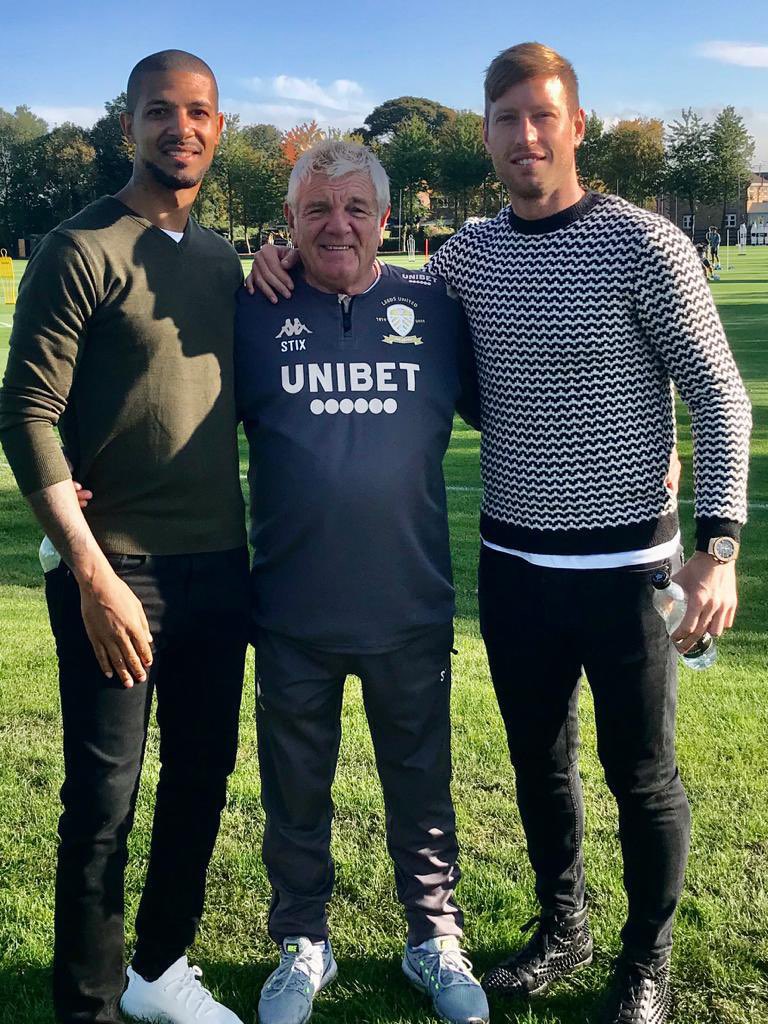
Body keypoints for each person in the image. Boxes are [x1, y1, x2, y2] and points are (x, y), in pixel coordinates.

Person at [247, 43, 751, 1024]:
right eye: (506, 120)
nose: (525, 136)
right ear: (486, 136)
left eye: (542, 116)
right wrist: (279, 258)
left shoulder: (647, 243)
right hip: (514, 563)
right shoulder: (464, 259)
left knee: (641, 774)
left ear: (576, 125)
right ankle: (562, 930)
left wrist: (717, 544)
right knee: (538, 764)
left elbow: (720, 395)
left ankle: (646, 960)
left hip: (630, 568)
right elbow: (457, 378)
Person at [0, 50, 249, 1024]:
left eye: (197, 113)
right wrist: (92, 571)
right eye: (159, 112)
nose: (179, 128)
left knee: (201, 779)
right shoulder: (79, 246)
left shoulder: (224, 256)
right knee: (103, 804)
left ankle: (158, 970)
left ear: (217, 128)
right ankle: (89, 1002)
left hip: (218, 567)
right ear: (127, 127)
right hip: (118, 571)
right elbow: (26, 411)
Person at [235, 139, 488, 1024]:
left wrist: (651, 456)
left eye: (354, 209)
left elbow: (529, 396)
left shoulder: (437, 306)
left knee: (421, 787)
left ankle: (433, 938)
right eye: (315, 210)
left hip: (409, 605)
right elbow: (170, 411)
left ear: (386, 218)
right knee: (294, 790)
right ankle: (303, 939)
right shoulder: (252, 307)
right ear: (290, 222)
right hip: (292, 610)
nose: (336, 225)